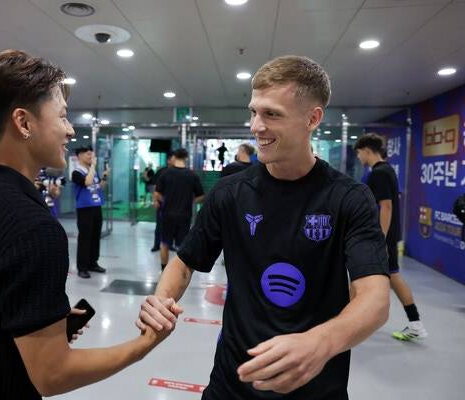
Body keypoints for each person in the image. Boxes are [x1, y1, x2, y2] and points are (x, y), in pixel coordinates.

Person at [0, 49, 176, 400]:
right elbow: (52, 374)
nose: (70, 130)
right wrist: (144, 344)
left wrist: (35, 318)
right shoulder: (33, 227)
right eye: (62, 116)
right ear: (24, 123)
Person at [136, 56, 390, 399]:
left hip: (315, 390)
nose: (256, 126)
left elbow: (374, 298)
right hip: (231, 386)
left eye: (272, 114)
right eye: (254, 112)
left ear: (313, 119)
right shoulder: (230, 193)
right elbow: (184, 263)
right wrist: (160, 301)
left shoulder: (349, 198)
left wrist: (321, 341)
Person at [355, 133, 428, 341]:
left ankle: (415, 324)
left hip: (382, 236)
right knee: (371, 276)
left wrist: (380, 238)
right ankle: (414, 323)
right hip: (383, 235)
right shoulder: (385, 171)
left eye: (359, 153)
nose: (359, 157)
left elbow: (386, 207)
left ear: (367, 151)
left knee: (389, 276)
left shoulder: (380, 173)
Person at [153, 148, 204, 270]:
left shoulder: (166, 173)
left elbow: (157, 193)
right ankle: (179, 273)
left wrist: (165, 201)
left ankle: (164, 271)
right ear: (186, 158)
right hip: (184, 216)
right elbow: (201, 196)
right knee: (182, 246)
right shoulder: (192, 175)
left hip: (167, 215)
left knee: (164, 244)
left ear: (174, 157)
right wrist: (190, 201)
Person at [71, 146, 109, 279]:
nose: (90, 156)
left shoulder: (92, 171)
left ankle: (93, 263)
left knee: (95, 237)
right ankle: (82, 267)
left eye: (91, 154)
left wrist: (104, 177)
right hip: (84, 209)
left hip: (96, 207)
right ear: (79, 156)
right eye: (87, 154)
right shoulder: (76, 172)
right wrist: (93, 166)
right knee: (85, 238)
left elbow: (99, 187)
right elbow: (87, 182)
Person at [150, 152, 174, 252]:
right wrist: (154, 200)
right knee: (159, 224)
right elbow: (155, 187)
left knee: (171, 224)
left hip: (174, 203)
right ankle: (156, 244)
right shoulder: (162, 171)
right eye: (173, 158)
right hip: (162, 202)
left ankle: (170, 244)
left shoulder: (178, 172)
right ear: (168, 160)